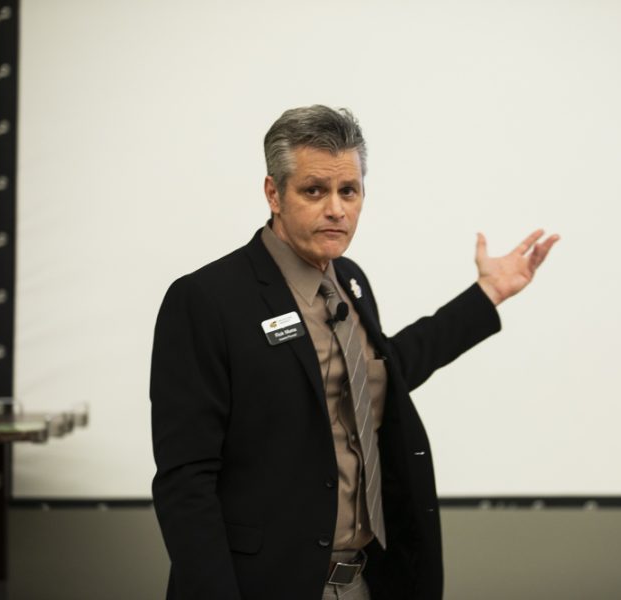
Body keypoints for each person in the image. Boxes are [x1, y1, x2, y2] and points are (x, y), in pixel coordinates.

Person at [150, 105, 558, 600]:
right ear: (273, 194)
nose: (337, 210)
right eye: (314, 191)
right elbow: (185, 481)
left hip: (364, 581)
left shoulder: (350, 280)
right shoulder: (208, 300)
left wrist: (485, 296)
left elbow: (382, 373)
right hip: (264, 584)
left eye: (350, 191)